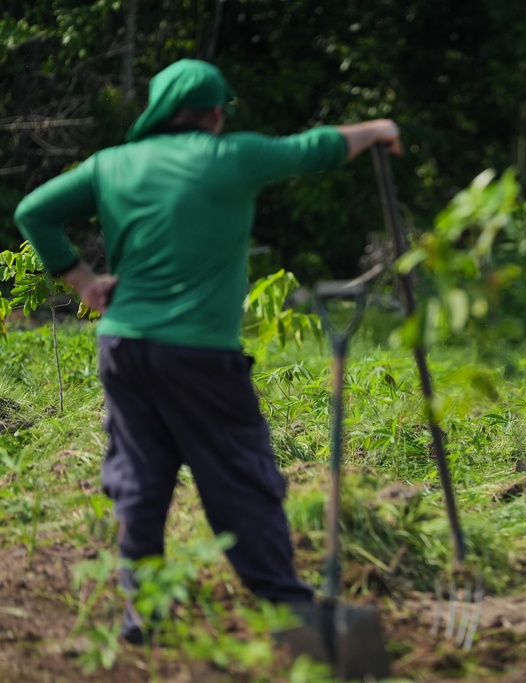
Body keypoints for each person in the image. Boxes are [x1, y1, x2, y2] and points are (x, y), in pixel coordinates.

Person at [14, 59, 403, 643]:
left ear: (158, 111)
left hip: (123, 345)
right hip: (198, 354)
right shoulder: (233, 156)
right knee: (239, 475)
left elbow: (32, 212)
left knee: (139, 478)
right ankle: (293, 615)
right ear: (216, 114)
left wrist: (83, 282)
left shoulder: (111, 164)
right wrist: (376, 129)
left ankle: (141, 613)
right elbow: (315, 148)